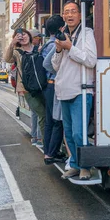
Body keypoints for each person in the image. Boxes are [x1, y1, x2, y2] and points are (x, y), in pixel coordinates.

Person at [52, 1, 97, 180]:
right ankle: (76, 165)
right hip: (63, 90)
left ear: (80, 14)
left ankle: (86, 166)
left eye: (73, 11)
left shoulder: (86, 33)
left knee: (79, 132)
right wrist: (58, 49)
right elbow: (55, 66)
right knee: (69, 133)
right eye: (66, 12)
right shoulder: (63, 35)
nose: (69, 15)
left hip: (81, 90)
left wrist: (70, 47)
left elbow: (91, 60)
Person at [4, 28, 46, 146]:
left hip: (42, 86)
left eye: (24, 34)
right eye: (19, 36)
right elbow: (7, 59)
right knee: (42, 114)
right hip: (26, 88)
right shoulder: (17, 52)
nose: (22, 37)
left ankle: (44, 140)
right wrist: (12, 43)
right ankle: (45, 143)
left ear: (29, 35)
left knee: (46, 114)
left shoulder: (40, 49)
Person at [41, 15, 66, 164]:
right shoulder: (54, 45)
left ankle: (47, 152)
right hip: (54, 84)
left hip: (48, 86)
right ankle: (52, 153)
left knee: (50, 120)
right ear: (60, 29)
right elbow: (48, 65)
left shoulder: (45, 44)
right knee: (58, 120)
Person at [29, 28, 43, 146]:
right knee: (39, 112)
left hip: (30, 86)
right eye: (38, 38)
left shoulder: (26, 49)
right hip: (35, 86)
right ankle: (38, 138)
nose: (40, 40)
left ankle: (34, 136)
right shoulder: (34, 50)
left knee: (34, 112)